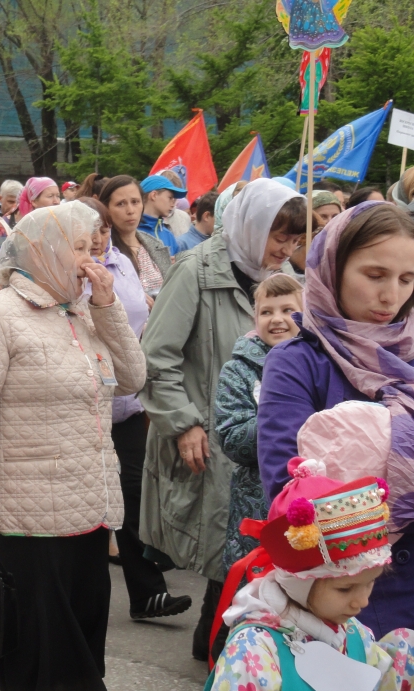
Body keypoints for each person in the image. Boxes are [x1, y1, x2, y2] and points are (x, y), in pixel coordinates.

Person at [0, 203, 145, 691]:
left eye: (93, 248)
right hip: (22, 505)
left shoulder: (81, 312)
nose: (91, 261)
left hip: (87, 500)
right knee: (33, 630)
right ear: (44, 250)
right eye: (81, 248)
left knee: (71, 623)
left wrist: (107, 306)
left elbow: (133, 379)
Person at [258, 202, 414, 691]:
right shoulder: (298, 363)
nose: (390, 294)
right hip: (346, 610)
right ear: (332, 266)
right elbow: (289, 495)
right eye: (374, 274)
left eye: (406, 278)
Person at [139, 177, 306, 661]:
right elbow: (158, 357)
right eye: (280, 237)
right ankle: (223, 659)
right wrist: (184, 422)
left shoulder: (280, 278)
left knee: (248, 551)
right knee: (223, 552)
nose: (287, 249)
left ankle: (229, 650)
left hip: (260, 445)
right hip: (210, 436)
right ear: (254, 227)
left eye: (295, 240)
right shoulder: (194, 269)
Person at [174, 464, 414, 691]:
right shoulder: (256, 651)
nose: (361, 602)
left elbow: (379, 681)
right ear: (300, 581)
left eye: (371, 584)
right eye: (346, 589)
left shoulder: (350, 632)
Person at [79, 197, 192, 620]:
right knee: (92, 503)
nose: (97, 240)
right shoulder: (64, 272)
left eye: (103, 231)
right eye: (88, 233)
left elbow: (141, 322)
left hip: (127, 401)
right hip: (85, 405)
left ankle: (147, 594)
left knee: (132, 493)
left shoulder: (122, 263)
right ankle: (87, 601)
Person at [214, 274, 302, 581]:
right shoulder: (238, 370)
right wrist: (281, 417)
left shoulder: (321, 362)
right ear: (255, 316)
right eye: (267, 311)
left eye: (288, 310)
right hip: (258, 503)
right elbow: (231, 437)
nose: (277, 319)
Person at [98, 176, 170, 298]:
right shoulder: (100, 250)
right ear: (106, 208)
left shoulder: (155, 244)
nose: (130, 210)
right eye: (121, 204)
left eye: (135, 202)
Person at [138, 174, 186, 256]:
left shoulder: (168, 235)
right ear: (154, 195)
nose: (173, 203)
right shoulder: (131, 231)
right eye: (170, 198)